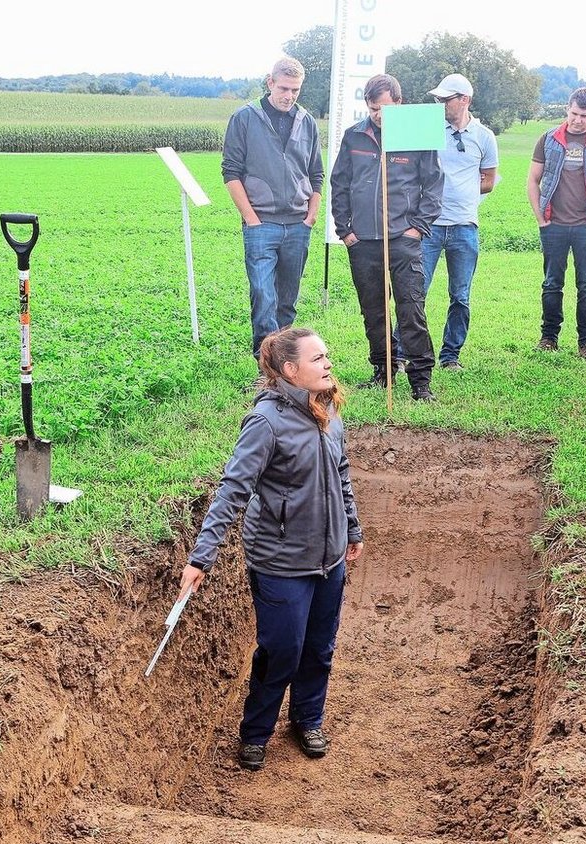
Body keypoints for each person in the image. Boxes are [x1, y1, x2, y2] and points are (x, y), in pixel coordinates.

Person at [180, 327, 365, 771]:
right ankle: (256, 731)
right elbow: (233, 490)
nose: (328, 364)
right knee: (282, 650)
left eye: (326, 356)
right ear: (290, 369)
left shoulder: (327, 410)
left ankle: (308, 719)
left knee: (319, 648)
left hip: (330, 558)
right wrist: (201, 557)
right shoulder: (265, 422)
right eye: (318, 359)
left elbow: (340, 473)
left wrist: (351, 528)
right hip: (280, 562)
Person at [330, 73, 444, 401]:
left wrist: (416, 228)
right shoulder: (354, 136)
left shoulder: (416, 134)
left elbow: (433, 185)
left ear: (399, 103)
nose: (378, 115)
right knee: (374, 310)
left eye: (385, 108)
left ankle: (420, 382)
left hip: (403, 239)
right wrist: (346, 231)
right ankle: (384, 370)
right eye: (373, 108)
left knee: (411, 308)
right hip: (363, 241)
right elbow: (339, 184)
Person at [222, 56, 324, 359]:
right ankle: (265, 366)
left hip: (298, 224)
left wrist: (311, 216)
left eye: (295, 90)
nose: (289, 96)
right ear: (270, 83)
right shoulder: (244, 118)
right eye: (283, 88)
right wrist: (251, 219)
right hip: (261, 223)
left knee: (287, 302)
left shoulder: (307, 122)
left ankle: (284, 363)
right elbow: (231, 172)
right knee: (263, 296)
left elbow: (316, 173)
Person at [529, 87, 586, 359]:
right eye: (574, 114)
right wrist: (540, 218)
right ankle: (549, 337)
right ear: (567, 110)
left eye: (584, 115)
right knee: (551, 283)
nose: (578, 120)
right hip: (553, 224)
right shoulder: (548, 139)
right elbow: (532, 180)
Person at [422, 73, 499, 371]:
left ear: (464, 100)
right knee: (415, 292)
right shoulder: (429, 129)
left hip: (465, 226)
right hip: (429, 224)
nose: (440, 104)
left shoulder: (484, 136)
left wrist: (464, 191)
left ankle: (450, 355)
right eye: (438, 99)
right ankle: (402, 353)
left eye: (446, 99)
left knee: (460, 295)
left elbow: (489, 179)